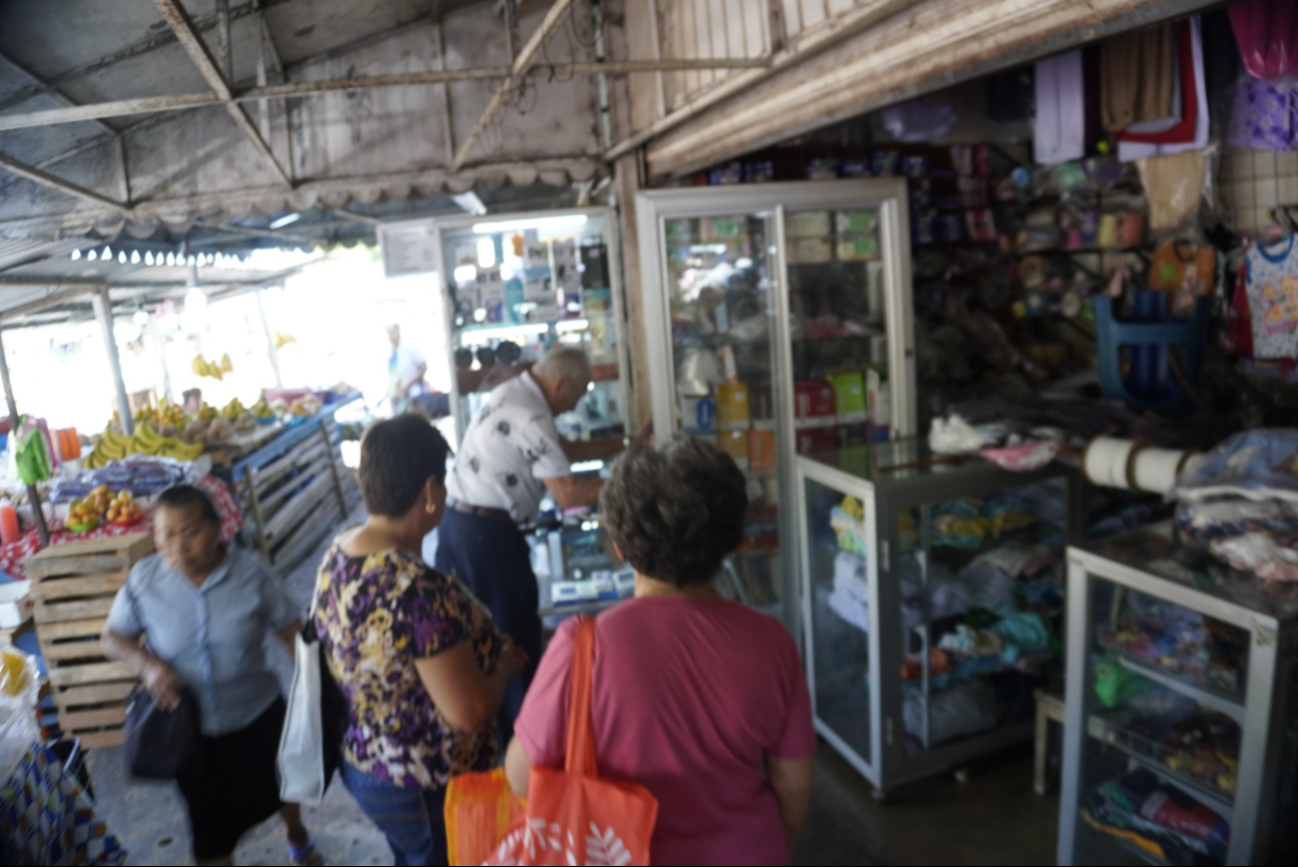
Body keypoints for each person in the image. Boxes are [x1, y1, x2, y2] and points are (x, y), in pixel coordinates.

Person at [505, 438, 816, 866]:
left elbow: (521, 778)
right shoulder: (773, 641)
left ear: (620, 546)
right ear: (730, 540)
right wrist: (783, 843)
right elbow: (793, 781)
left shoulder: (581, 646)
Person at [314, 415, 525, 866]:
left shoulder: (341, 551)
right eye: (444, 485)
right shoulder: (415, 591)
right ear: (429, 491)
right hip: (422, 781)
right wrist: (502, 669)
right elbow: (467, 712)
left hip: (366, 763)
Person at [101, 485, 320, 867]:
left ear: (218, 527)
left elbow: (291, 630)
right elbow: (113, 638)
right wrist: (148, 667)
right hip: (191, 731)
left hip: (257, 714)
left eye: (190, 533)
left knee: (281, 788)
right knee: (209, 830)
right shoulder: (144, 580)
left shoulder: (251, 574)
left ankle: (296, 835)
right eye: (166, 535)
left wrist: (311, 692)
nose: (178, 547)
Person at [436, 345, 625, 742]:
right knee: (514, 643)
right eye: (580, 392)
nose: (578, 404)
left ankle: (501, 740)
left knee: (477, 639)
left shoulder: (513, 392)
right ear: (561, 385)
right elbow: (569, 494)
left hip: (459, 525)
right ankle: (529, 750)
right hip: (488, 539)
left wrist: (625, 445)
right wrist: (636, 482)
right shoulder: (533, 414)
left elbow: (563, 452)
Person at [387, 324, 428, 414]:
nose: (391, 335)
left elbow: (423, 367)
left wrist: (408, 385)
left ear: (398, 331)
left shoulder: (410, 349)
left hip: (413, 395)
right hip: (398, 399)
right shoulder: (390, 355)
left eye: (393, 331)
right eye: (389, 332)